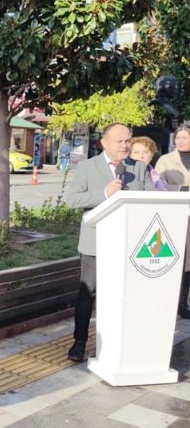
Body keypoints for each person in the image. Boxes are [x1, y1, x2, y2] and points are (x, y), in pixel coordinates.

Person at [65, 123, 156, 362]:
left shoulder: (139, 168)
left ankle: (122, 342)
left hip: (129, 243)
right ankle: (80, 341)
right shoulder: (87, 166)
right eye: (120, 141)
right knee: (88, 293)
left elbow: (152, 201)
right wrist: (105, 194)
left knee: (124, 294)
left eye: (128, 140)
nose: (126, 145)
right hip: (95, 241)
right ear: (104, 143)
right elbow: (71, 199)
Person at [155, 124, 190, 318]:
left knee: (188, 264)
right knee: (175, 260)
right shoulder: (166, 160)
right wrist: (183, 190)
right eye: (178, 138)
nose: (181, 141)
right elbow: (157, 184)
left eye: (185, 137)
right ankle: (168, 302)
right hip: (173, 216)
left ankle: (183, 303)